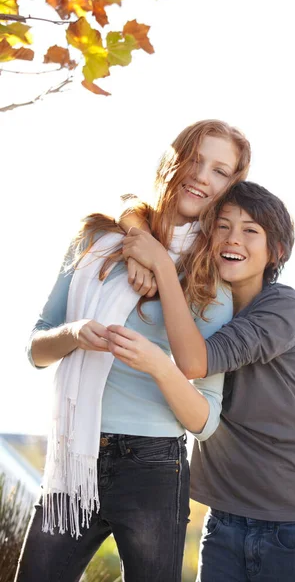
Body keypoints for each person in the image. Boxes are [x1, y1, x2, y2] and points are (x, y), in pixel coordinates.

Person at [15, 119, 251, 582]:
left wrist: (159, 362)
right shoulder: (96, 241)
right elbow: (37, 351)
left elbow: (204, 419)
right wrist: (76, 332)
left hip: (153, 466)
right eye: (196, 159)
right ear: (172, 159)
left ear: (229, 187)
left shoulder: (211, 280)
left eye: (220, 171)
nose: (202, 176)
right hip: (73, 460)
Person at [118, 180, 295, 582]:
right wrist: (136, 234)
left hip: (291, 522)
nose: (233, 238)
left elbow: (194, 363)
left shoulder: (283, 307)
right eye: (222, 226)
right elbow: (135, 204)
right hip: (223, 520)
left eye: (251, 230)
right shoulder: (199, 303)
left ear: (277, 251)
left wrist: (161, 265)